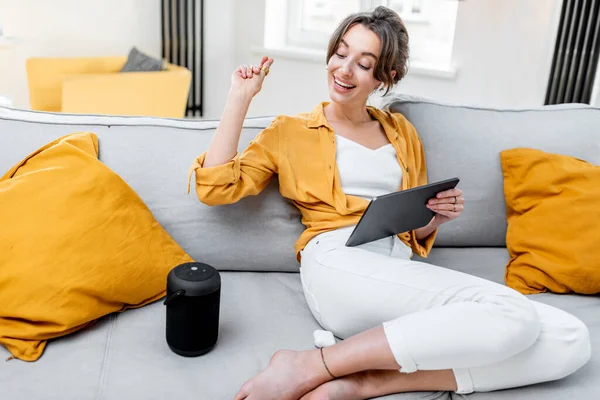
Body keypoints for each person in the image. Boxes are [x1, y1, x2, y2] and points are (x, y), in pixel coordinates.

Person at [189, 6, 591, 400]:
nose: (344, 70)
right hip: (336, 260)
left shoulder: (401, 132)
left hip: (395, 267)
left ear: (386, 77)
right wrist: (239, 98)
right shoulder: (289, 131)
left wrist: (434, 217)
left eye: (364, 64)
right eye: (341, 53)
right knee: (511, 311)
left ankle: (369, 382)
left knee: (571, 339)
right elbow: (216, 188)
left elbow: (413, 232)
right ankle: (310, 365)